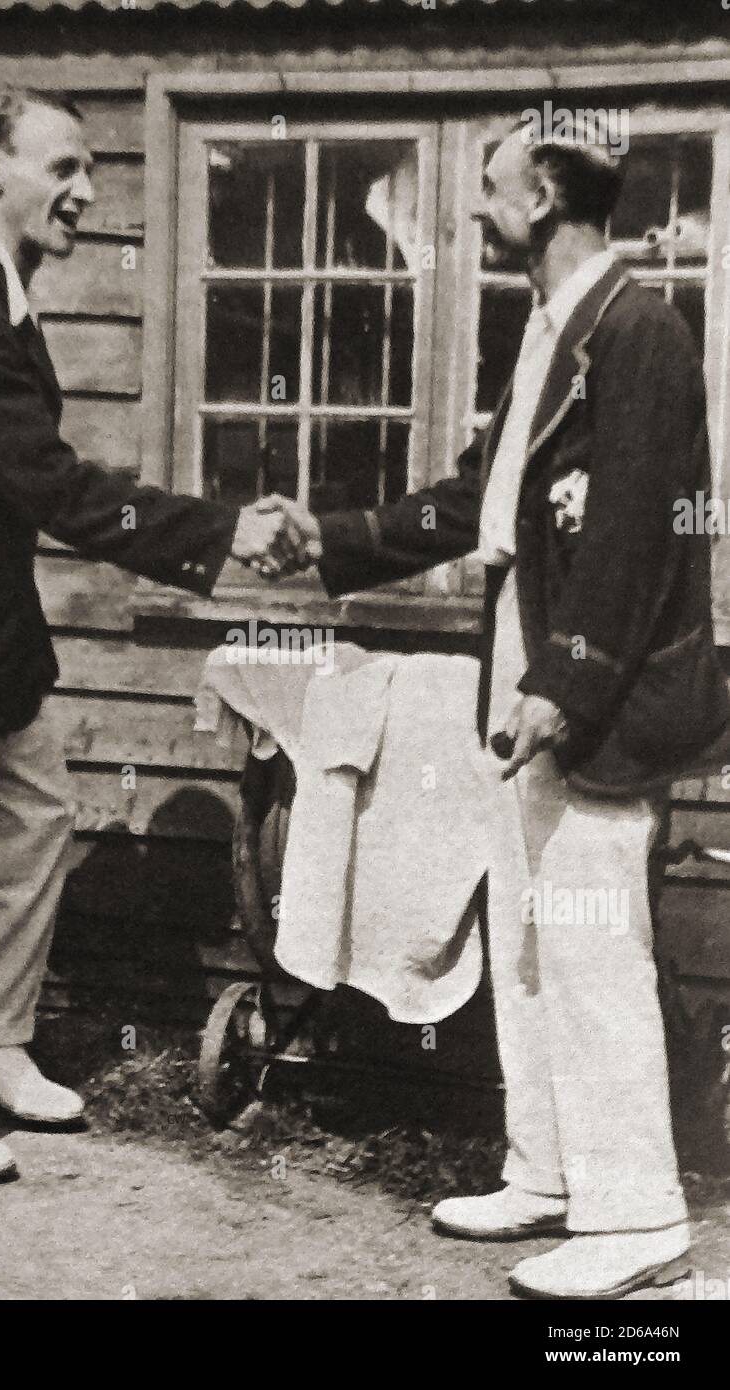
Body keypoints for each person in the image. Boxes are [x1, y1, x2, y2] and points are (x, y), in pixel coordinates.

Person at [261, 116, 730, 1299]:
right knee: (525, 941)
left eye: (488, 186)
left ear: (548, 196)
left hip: (592, 691)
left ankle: (637, 1218)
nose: (472, 209)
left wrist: (561, 693)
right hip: (531, 669)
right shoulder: (548, 333)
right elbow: (479, 498)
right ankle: (549, 1172)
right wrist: (336, 538)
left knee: (589, 948)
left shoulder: (640, 339)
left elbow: (628, 549)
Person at [0, 86, 300, 1184]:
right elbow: (52, 485)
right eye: (63, 167)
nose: (86, 191)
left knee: (38, 809)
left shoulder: (1, 294)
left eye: (92, 171)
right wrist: (227, 529)